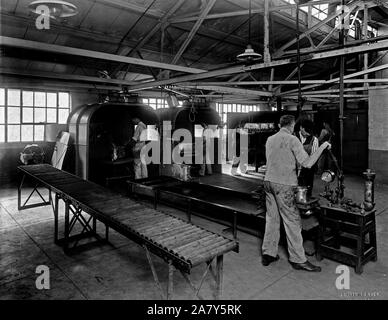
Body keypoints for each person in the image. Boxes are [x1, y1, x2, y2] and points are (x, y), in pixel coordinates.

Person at [262, 115, 331, 272]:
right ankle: (298, 259)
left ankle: (268, 254)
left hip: (268, 183)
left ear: (280, 125)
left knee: (272, 219)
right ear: (292, 126)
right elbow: (307, 163)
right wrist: (322, 146)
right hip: (284, 185)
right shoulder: (293, 140)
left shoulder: (270, 139)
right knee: (292, 221)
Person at [296, 118, 319, 197]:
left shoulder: (314, 140)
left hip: (307, 170)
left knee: (306, 191)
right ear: (301, 128)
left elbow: (313, 157)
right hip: (292, 169)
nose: (308, 134)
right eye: (306, 131)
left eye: (309, 132)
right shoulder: (293, 137)